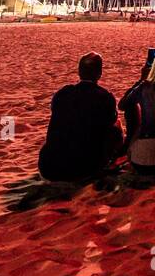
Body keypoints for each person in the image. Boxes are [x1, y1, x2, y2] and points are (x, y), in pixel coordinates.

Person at [37, 52, 124, 183]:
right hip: (84, 168)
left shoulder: (62, 94)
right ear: (99, 73)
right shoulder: (105, 97)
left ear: (79, 72)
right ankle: (109, 162)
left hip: (49, 168)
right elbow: (110, 124)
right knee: (116, 126)